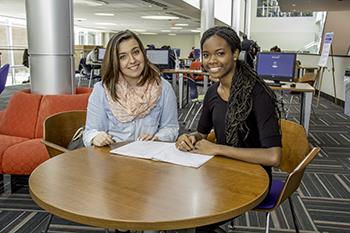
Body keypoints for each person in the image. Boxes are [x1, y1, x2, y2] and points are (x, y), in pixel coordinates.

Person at [176, 26, 281, 232]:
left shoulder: (258, 93)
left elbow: (273, 157)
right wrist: (187, 137)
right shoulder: (213, 92)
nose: (211, 61)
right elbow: (202, 134)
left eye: (220, 53)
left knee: (201, 218)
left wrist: (217, 149)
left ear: (235, 53)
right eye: (206, 55)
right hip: (221, 170)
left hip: (254, 177)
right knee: (178, 200)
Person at [83, 30, 179, 147]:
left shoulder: (163, 88)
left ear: (143, 53)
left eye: (136, 52)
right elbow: (89, 133)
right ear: (115, 62)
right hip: (112, 157)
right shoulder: (102, 90)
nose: (133, 60)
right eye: (123, 57)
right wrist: (96, 137)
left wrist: (158, 138)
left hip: (148, 155)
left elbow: (171, 128)